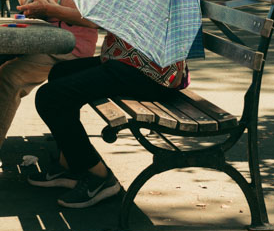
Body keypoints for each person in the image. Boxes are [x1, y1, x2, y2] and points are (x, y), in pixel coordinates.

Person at [31, 21, 190, 208]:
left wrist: (52, 8)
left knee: (50, 97)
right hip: (131, 63)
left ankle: (99, 176)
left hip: (150, 76)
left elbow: (97, 21)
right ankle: (69, 164)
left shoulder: (149, 1)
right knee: (60, 72)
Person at [0, 0, 99, 170]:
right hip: (36, 38)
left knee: (11, 74)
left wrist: (52, 2)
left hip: (70, 46)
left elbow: (94, 15)